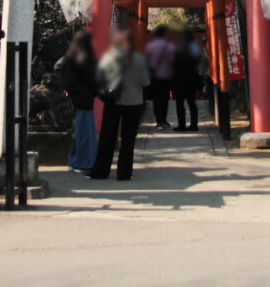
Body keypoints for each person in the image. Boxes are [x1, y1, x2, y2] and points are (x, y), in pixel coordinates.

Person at [88, 30, 151, 181]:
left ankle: (100, 172)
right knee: (128, 140)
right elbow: (146, 82)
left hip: (113, 102)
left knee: (107, 137)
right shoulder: (139, 59)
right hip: (134, 102)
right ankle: (124, 173)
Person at [55, 31, 98, 173]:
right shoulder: (86, 58)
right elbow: (93, 78)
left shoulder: (70, 57)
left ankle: (73, 161)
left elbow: (58, 66)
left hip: (75, 97)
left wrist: (68, 87)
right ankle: (83, 162)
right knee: (85, 132)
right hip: (85, 98)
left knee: (79, 131)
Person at [143, 25, 178, 129]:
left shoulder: (150, 46)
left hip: (154, 76)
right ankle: (164, 120)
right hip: (167, 76)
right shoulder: (171, 46)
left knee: (156, 99)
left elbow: (146, 61)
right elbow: (174, 62)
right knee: (165, 97)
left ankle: (159, 122)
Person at [172, 30, 203, 131]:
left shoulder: (178, 50)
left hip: (179, 80)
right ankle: (194, 124)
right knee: (191, 102)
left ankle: (182, 125)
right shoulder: (195, 49)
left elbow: (173, 65)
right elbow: (199, 64)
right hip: (191, 79)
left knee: (179, 104)